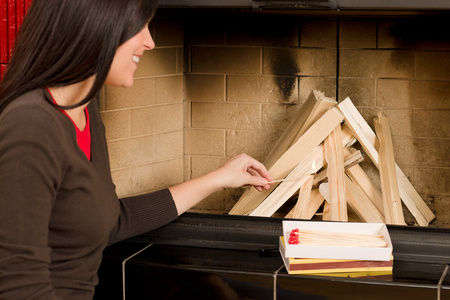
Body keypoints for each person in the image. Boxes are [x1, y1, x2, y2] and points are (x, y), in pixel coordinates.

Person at [0, 0, 273, 299]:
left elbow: (109, 219)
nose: (150, 42)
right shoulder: (31, 124)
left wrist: (218, 178)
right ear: (97, 24)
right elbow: (19, 286)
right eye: (140, 26)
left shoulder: (85, 108)